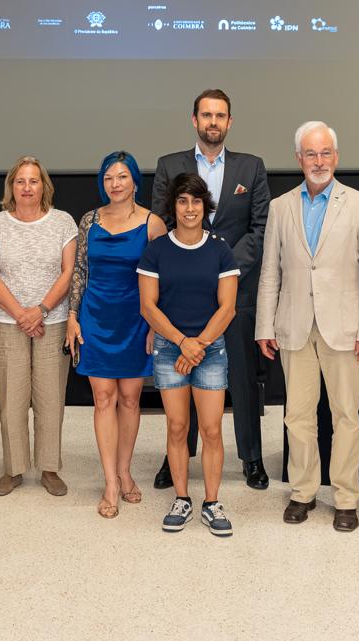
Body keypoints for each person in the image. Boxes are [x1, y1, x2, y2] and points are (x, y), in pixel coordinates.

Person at [255, 121, 359, 532]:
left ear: (336, 156)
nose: (319, 161)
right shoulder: (280, 207)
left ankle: (346, 497)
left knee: (346, 414)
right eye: (310, 154)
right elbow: (270, 273)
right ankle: (303, 492)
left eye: (326, 153)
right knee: (297, 415)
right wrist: (264, 325)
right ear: (298, 159)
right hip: (293, 326)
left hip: (345, 330)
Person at [150, 89, 270, 490]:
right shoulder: (170, 166)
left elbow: (259, 228)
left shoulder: (251, 168)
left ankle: (251, 458)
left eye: (220, 115)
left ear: (230, 122)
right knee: (185, 375)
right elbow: (162, 223)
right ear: (194, 120)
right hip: (182, 294)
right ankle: (178, 457)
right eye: (206, 115)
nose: (213, 122)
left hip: (235, 293)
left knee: (240, 377)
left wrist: (226, 268)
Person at [139, 174, 241, 536]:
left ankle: (212, 503)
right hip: (170, 350)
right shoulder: (156, 251)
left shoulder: (220, 249)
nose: (189, 208)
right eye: (182, 201)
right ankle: (182, 498)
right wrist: (183, 342)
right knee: (178, 426)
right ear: (174, 207)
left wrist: (197, 346)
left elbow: (227, 308)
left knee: (212, 430)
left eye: (196, 201)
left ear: (205, 206)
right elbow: (149, 308)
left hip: (210, 350)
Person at [67, 151, 166, 519]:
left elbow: (160, 278)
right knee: (103, 397)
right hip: (95, 316)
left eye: (122, 176)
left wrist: (156, 324)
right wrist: (72, 316)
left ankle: (126, 470)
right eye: (109, 177)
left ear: (135, 181)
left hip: (136, 318)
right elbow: (80, 270)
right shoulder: (89, 220)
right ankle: (110, 480)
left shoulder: (153, 223)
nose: (115, 184)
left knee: (129, 398)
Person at [0, 156, 79, 497]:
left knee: (51, 398)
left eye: (33, 181)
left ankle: (49, 468)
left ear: (44, 186)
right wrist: (22, 314)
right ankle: (13, 469)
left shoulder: (63, 222)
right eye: (20, 181)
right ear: (11, 187)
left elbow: (69, 272)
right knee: (11, 400)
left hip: (52, 320)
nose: (26, 187)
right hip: (7, 322)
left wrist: (41, 310)